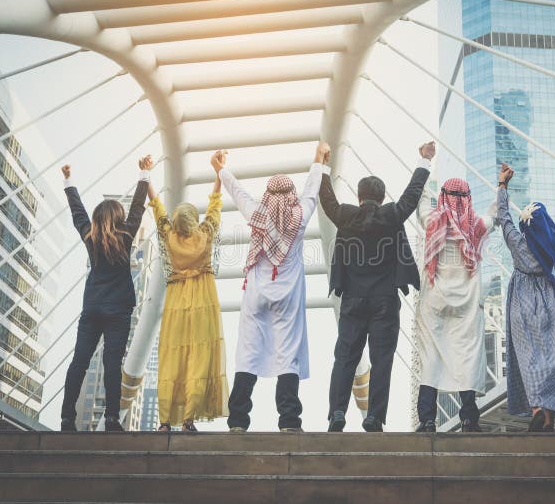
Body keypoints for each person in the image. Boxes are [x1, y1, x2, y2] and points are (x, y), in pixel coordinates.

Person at [323, 141, 436, 433]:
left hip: (352, 300)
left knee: (345, 357)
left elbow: (327, 200)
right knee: (382, 359)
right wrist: (424, 160)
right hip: (385, 300)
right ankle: (374, 417)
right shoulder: (391, 215)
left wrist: (322, 165)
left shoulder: (346, 215)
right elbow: (412, 197)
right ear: (383, 196)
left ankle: (337, 413)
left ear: (359, 197)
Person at [221, 142, 330, 433]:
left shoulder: (257, 214)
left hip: (256, 293)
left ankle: (238, 421)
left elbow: (238, 192)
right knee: (287, 355)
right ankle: (289, 421)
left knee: (248, 352)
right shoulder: (300, 216)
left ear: (268, 195)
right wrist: (318, 159)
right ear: (290, 195)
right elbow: (311, 190)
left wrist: (221, 170)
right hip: (289, 296)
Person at [498, 163, 555, 432]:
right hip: (549, 303)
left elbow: (504, 216)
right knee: (552, 359)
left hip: (521, 305)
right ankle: (547, 418)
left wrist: (502, 184)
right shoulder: (553, 244)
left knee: (528, 359)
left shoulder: (516, 242)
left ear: (524, 224)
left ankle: (539, 411)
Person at [59, 157, 150, 432]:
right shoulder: (125, 236)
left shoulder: (90, 236)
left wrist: (68, 180)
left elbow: (78, 213)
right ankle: (112, 418)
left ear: (98, 219)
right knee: (113, 363)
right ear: (118, 218)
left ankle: (66, 419)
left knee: (79, 361)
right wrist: (145, 173)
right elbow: (137, 209)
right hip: (118, 311)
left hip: (92, 309)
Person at [147, 151, 228, 432]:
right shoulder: (205, 235)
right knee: (199, 357)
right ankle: (189, 419)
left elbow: (157, 209)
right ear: (194, 220)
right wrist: (219, 172)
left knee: (172, 358)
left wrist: (146, 177)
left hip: (176, 302)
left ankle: (165, 421)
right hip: (204, 300)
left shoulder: (169, 237)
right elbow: (215, 205)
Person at [414, 178, 497, 433]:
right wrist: (502, 186)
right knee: (467, 357)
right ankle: (470, 419)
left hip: (434, 302)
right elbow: (496, 213)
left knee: (430, 358)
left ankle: (427, 420)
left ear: (442, 197)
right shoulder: (477, 225)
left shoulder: (432, 221)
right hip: (466, 307)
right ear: (468, 198)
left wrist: (424, 165)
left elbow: (421, 204)